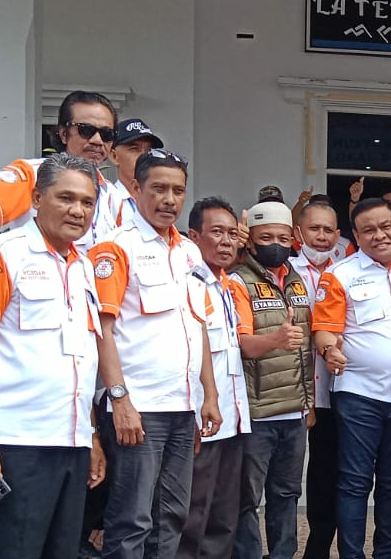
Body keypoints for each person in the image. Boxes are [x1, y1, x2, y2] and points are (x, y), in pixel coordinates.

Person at [0, 153, 106, 558]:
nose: (77, 211)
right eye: (65, 198)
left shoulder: (83, 268)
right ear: (37, 199)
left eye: (87, 202)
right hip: (12, 446)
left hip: (70, 444)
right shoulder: (1, 255)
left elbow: (79, 361)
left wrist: (90, 436)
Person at [89, 148, 222, 558]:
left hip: (181, 406)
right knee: (131, 519)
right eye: (159, 189)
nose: (169, 200)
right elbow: (102, 330)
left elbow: (198, 325)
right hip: (139, 408)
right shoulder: (115, 248)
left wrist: (209, 395)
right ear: (135, 188)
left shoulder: (189, 252)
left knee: (172, 516)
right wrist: (119, 399)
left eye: (178, 191)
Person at [312, 197, 391, 559]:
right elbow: (324, 329)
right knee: (354, 482)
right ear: (356, 236)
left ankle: (389, 554)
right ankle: (352, 554)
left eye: (386, 226)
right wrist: (329, 350)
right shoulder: (340, 274)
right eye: (369, 230)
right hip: (358, 396)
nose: (379, 235)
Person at [228, 200, 314, 559]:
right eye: (265, 238)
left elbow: (307, 347)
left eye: (282, 237)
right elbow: (243, 345)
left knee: (287, 494)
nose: (275, 244)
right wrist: (276, 340)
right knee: (246, 498)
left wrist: (309, 404)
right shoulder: (238, 282)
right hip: (257, 412)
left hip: (294, 413)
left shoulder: (298, 280)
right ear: (250, 240)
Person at [0, 91, 121, 251]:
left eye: (107, 134)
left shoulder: (112, 194)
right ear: (63, 134)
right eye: (87, 130)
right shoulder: (32, 174)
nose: (98, 140)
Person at [177, 197, 251, 559]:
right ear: (194, 236)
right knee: (192, 517)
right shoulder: (188, 283)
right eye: (217, 232)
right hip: (201, 421)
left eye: (232, 234)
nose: (226, 241)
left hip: (232, 420)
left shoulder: (226, 285)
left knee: (224, 518)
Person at [290, 200, 342, 559]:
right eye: (314, 229)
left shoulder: (346, 273)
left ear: (337, 236)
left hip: (332, 391)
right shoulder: (283, 270)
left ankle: (318, 549)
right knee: (284, 477)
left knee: (325, 474)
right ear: (299, 233)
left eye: (328, 230)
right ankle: (280, 546)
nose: (321, 236)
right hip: (289, 389)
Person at [107, 118, 164, 228]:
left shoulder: (160, 200)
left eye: (148, 150)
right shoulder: (107, 201)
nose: (144, 156)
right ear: (114, 156)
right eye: (134, 149)